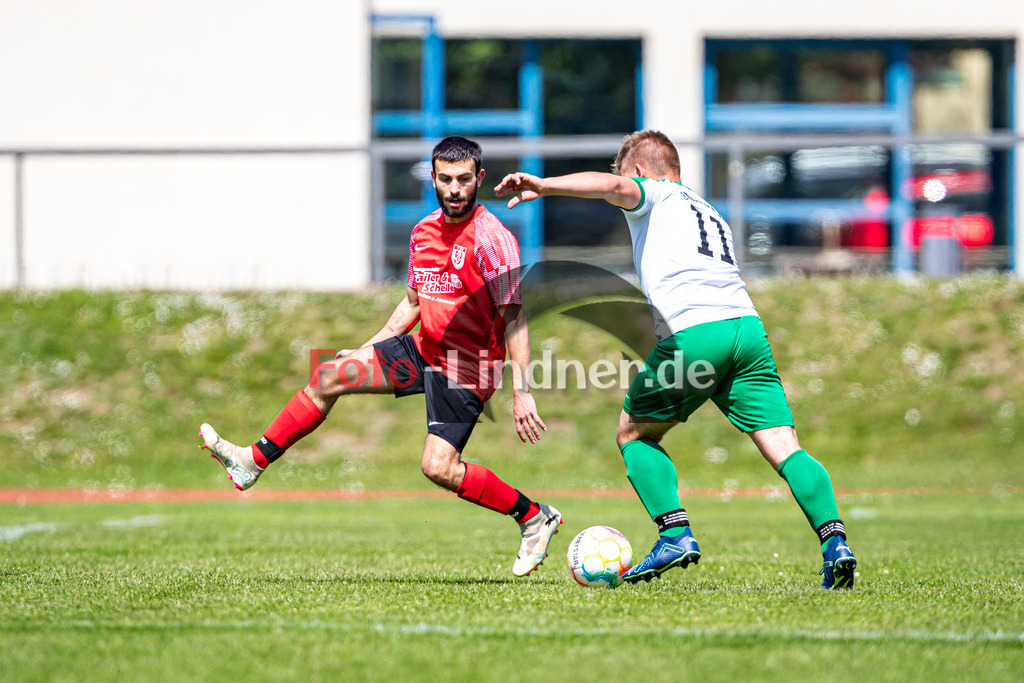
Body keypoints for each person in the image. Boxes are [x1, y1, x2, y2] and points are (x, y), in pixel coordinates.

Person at [494, 130, 856, 589]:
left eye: (628, 179)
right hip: (747, 330)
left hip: (696, 334)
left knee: (633, 434)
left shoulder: (655, 194)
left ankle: (674, 534)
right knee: (785, 447)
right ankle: (835, 543)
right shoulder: (707, 209)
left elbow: (614, 189)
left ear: (642, 172)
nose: (624, 191)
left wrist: (546, 185)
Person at [200, 135, 562, 577]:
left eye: (464, 179)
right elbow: (412, 304)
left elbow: (515, 318)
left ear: (479, 179)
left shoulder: (494, 240)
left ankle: (533, 517)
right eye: (445, 178)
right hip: (424, 349)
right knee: (329, 375)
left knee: (437, 467)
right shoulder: (423, 233)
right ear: (432, 178)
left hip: (468, 367)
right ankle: (251, 461)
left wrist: (522, 392)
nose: (454, 188)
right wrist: (367, 348)